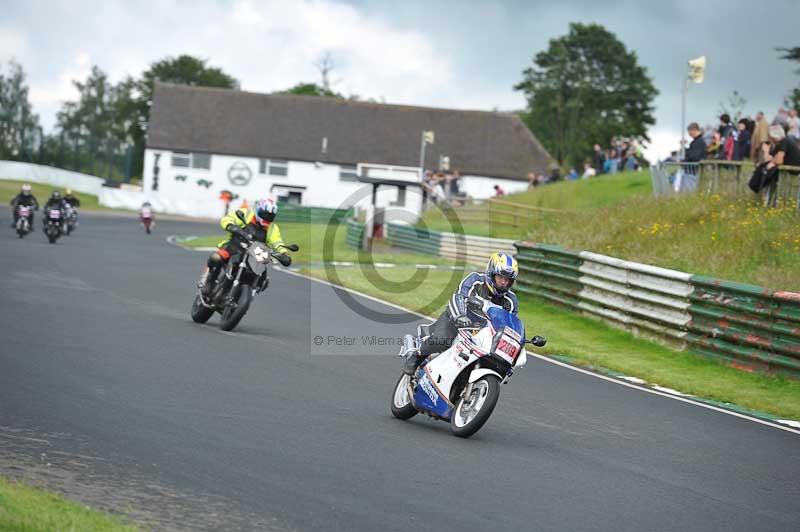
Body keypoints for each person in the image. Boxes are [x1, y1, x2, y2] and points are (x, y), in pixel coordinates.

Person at [402, 252, 519, 374]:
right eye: (500, 277)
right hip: (456, 322)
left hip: (483, 335)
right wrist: (460, 315)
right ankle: (417, 356)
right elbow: (459, 296)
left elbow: (509, 325)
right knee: (441, 340)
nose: (503, 283)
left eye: (507, 280)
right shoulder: (475, 280)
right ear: (491, 273)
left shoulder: (511, 301)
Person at [197, 198, 293, 298]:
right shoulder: (246, 214)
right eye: (265, 214)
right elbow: (228, 218)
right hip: (235, 246)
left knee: (263, 276)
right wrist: (231, 226)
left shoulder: (273, 228)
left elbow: (277, 242)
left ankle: (248, 292)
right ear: (258, 210)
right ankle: (209, 282)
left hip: (256, 254)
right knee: (216, 258)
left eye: (270, 216)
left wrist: (284, 253)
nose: (267, 218)